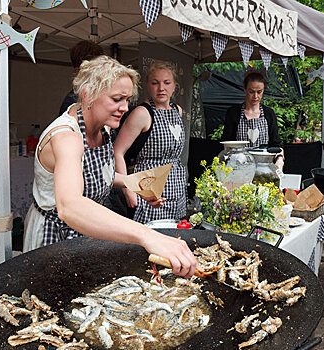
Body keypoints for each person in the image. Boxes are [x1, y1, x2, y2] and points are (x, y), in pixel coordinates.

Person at [23, 56, 198, 278]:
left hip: (88, 231)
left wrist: (134, 184)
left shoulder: (103, 129)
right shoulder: (66, 137)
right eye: (117, 99)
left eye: (126, 99)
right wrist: (149, 236)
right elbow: (70, 206)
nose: (125, 108)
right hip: (55, 236)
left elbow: (96, 175)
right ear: (88, 94)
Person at [114, 60, 187, 224]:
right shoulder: (142, 113)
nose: (161, 88)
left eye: (166, 83)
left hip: (176, 187)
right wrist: (128, 189)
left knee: (173, 235)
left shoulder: (178, 111)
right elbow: (117, 151)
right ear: (148, 86)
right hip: (148, 188)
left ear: (174, 86)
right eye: (155, 83)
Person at [221, 71, 284, 170]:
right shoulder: (233, 113)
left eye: (259, 92)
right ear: (245, 89)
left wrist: (280, 160)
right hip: (239, 167)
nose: (255, 96)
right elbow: (226, 143)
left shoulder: (269, 114)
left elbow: (276, 144)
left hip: (264, 167)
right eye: (251, 92)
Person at [59, 40, 105, 116]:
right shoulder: (72, 103)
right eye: (92, 68)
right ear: (78, 71)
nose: (100, 72)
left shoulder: (106, 92)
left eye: (101, 67)